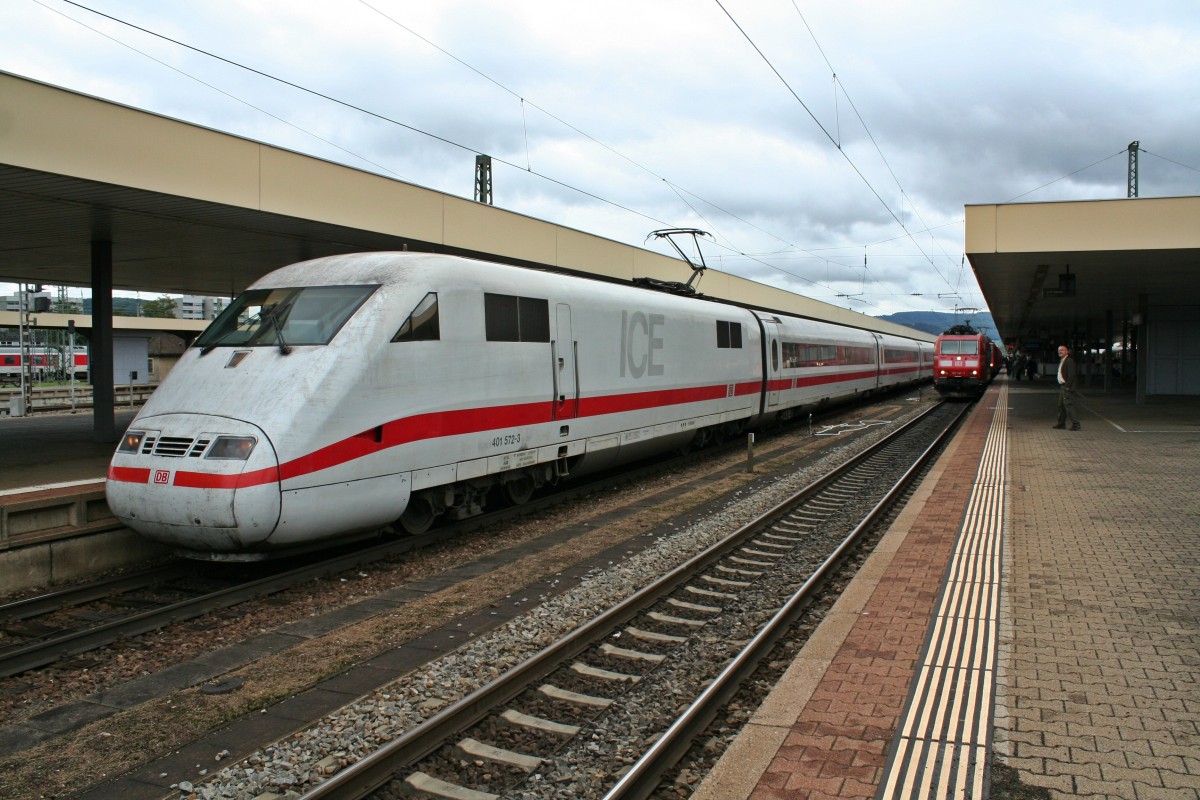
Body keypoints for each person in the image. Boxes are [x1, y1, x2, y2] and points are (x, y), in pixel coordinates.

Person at [1053, 344, 1080, 430]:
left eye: (1062, 350)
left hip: (1066, 387)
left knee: (1068, 405)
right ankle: (1061, 423)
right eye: (1059, 350)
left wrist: (1067, 386)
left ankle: (1076, 424)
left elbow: (1072, 375)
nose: (1060, 351)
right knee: (1061, 406)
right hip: (1062, 386)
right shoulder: (1063, 360)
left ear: (1067, 351)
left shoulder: (1069, 361)